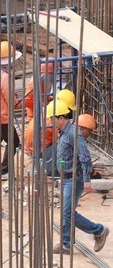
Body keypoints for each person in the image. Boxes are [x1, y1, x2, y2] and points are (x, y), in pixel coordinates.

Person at [50, 101, 109, 254]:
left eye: (52, 118)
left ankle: (98, 230)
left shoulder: (73, 134)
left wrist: (87, 179)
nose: (50, 121)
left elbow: (85, 156)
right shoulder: (63, 132)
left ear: (61, 117)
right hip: (66, 178)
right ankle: (66, 244)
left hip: (74, 179)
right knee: (66, 211)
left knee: (67, 212)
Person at [0, 41, 22, 180]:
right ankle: (3, 170)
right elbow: (9, 99)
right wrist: (16, 102)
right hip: (2, 115)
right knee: (13, 142)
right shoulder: (5, 77)